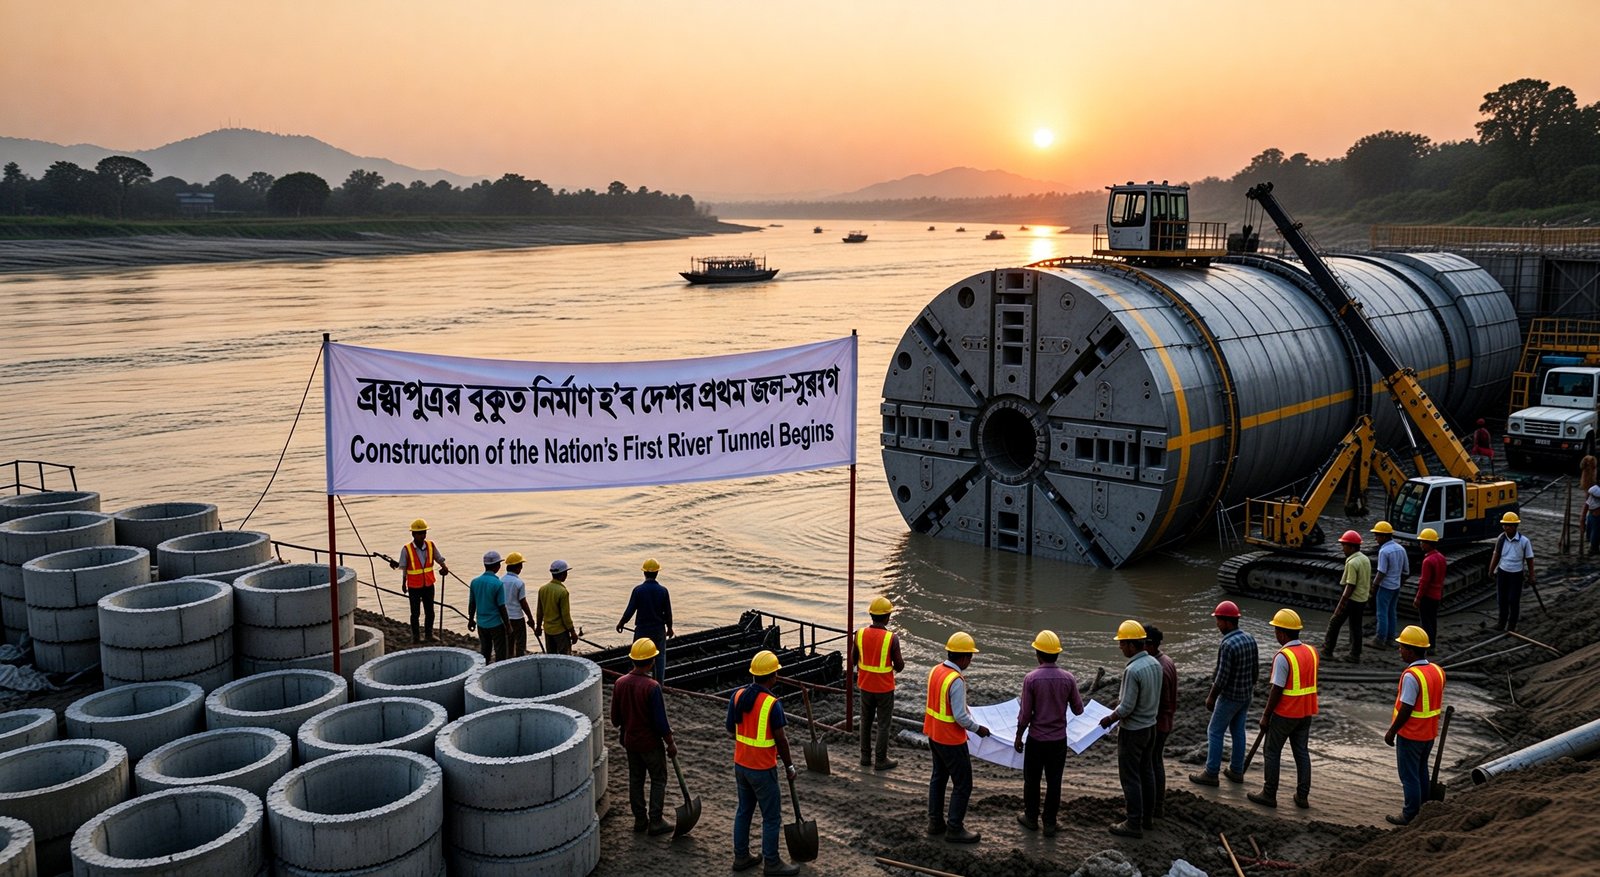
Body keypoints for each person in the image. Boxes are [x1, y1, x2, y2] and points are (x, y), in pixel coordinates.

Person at [726, 649, 800, 875]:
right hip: (762, 769)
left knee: (744, 811)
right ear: (772, 676)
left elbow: (731, 729)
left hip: (741, 765)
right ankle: (772, 863)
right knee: (771, 817)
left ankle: (741, 857)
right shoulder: (771, 704)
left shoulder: (737, 696)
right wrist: (789, 766)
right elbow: (781, 740)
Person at [1014, 629, 1083, 835]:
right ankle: (1050, 823)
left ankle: (1031, 818)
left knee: (1032, 780)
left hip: (1036, 739)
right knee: (1054, 781)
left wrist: (1018, 736)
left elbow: (1025, 714)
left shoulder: (1031, 679)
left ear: (1038, 654)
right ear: (1057, 654)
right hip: (1058, 740)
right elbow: (1078, 710)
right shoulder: (1069, 678)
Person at [925, 631, 991, 844]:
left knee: (938, 778)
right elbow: (960, 717)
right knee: (963, 784)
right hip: (951, 740)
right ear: (963, 657)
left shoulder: (936, 670)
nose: (970, 661)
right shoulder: (956, 680)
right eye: (970, 657)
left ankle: (935, 822)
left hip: (934, 734)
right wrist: (978, 729)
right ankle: (954, 828)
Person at [1248, 609, 1317, 810]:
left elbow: (1276, 689)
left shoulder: (1283, 657)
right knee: (1301, 752)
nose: (1275, 634)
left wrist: (1266, 716)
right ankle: (1302, 796)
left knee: (1271, 751)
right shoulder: (1311, 652)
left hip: (1285, 713)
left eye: (1276, 630)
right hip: (1306, 712)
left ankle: (1269, 794)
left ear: (1282, 633)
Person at [1100, 620, 1162, 838]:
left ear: (1131, 645)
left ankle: (1133, 823)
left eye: (1122, 643)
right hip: (1150, 726)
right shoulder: (1155, 663)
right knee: (1147, 772)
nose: (1120, 647)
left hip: (1133, 731)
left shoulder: (1133, 669)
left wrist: (1109, 718)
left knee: (1130, 777)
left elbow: (1126, 707)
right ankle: (1147, 818)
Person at [613, 638, 677, 836]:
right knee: (658, 779)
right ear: (651, 662)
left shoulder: (620, 683)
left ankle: (640, 820)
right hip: (649, 743)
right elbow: (661, 722)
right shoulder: (652, 687)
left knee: (636, 779)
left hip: (630, 742)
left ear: (633, 660)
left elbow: (615, 719)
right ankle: (655, 820)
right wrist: (670, 743)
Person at [1191, 600, 1258, 787]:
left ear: (1228, 622)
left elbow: (1221, 676)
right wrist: (1250, 688)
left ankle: (1211, 773)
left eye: (1219, 621)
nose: (1217, 624)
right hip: (1246, 695)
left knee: (1214, 731)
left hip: (1230, 697)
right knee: (1238, 731)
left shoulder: (1228, 644)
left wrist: (1211, 697)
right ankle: (1236, 770)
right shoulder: (1250, 638)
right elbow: (1255, 670)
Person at [1384, 625, 1446, 826]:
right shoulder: (1437, 670)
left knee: (1409, 776)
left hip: (1411, 734)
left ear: (1411, 651)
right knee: (1421, 771)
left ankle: (1410, 814)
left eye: (1402, 647)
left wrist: (1392, 731)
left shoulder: (1412, 676)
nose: (1399, 650)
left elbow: (1407, 707)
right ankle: (1424, 808)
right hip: (1429, 733)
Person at [852, 596, 905, 771]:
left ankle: (865, 757)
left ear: (871, 615)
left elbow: (853, 660)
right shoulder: (891, 638)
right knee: (883, 724)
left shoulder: (859, 634)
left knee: (865, 721)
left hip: (865, 685)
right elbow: (899, 666)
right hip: (884, 688)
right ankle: (880, 760)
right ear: (887, 617)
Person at [390, 518, 448, 643]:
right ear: (413, 534)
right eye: (420, 533)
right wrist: (403, 583)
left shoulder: (431, 545)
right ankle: (416, 637)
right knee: (415, 613)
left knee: (430, 611)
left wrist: (444, 567)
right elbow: (404, 568)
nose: (423, 535)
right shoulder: (407, 549)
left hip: (428, 583)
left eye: (424, 532)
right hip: (414, 586)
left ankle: (429, 634)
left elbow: (438, 558)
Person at [617, 558, 673, 681]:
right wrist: (669, 628)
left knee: (638, 657)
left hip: (642, 630)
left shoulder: (638, 590)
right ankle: (658, 684)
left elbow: (630, 610)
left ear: (644, 573)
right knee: (659, 658)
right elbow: (668, 613)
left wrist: (622, 623)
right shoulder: (663, 591)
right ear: (657, 573)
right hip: (658, 630)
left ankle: (636, 680)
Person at [1144, 625, 1178, 817]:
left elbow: (1155, 703)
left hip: (1158, 723)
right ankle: (1157, 804)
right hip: (1166, 719)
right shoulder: (1166, 661)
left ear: (1149, 644)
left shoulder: (1159, 668)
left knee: (1151, 763)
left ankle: (1154, 806)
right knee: (1156, 761)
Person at [1323, 530, 1371, 663]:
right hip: (1362, 599)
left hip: (1351, 599)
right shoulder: (1365, 559)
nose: (1342, 548)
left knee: (1334, 623)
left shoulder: (1352, 563)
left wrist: (1341, 604)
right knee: (1356, 626)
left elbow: (1350, 585)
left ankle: (1327, 651)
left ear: (1352, 547)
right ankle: (1355, 654)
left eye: (1344, 545)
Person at [1488, 512, 1535, 632]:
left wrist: (1531, 575)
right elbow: (1496, 555)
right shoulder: (1501, 539)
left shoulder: (1524, 541)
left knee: (1513, 600)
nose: (1506, 527)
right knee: (1502, 599)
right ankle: (1501, 623)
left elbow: (1529, 559)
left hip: (1516, 574)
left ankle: (1512, 625)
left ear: (1515, 526)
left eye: (1509, 525)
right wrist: (1491, 570)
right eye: (1505, 525)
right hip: (1503, 573)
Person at [1371, 521, 1409, 648]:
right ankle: (1390, 638)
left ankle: (1380, 639)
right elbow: (1406, 571)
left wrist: (1374, 586)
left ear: (1383, 536)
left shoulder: (1384, 551)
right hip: (1396, 587)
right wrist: (1399, 583)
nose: (1375, 538)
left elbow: (1381, 572)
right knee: (1392, 612)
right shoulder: (1401, 549)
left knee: (1382, 613)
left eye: (1377, 535)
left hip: (1385, 587)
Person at [466, 551, 508, 664]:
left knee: (485, 650)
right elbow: (502, 607)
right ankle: (499, 669)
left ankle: (484, 668)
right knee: (500, 651)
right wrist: (508, 626)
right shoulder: (498, 584)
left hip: (481, 623)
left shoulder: (475, 582)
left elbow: (472, 603)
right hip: (496, 624)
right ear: (497, 566)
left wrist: (471, 620)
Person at [537, 559, 577, 655]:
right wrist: (572, 632)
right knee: (565, 656)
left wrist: (538, 627)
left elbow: (539, 611)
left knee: (552, 656)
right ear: (563, 574)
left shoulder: (543, 589)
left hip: (548, 630)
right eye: (566, 572)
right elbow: (565, 616)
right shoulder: (562, 592)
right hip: (560, 631)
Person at [1414, 529, 1445, 646]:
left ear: (1428, 543)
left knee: (1425, 622)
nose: (1421, 544)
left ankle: (1427, 644)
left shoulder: (1427, 561)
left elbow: (1424, 582)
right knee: (1432, 620)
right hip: (1436, 595)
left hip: (1427, 596)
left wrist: (1418, 598)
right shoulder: (1441, 557)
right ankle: (1433, 644)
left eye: (1422, 542)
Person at [501, 552, 533, 657]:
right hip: (517, 617)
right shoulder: (519, 583)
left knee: (508, 641)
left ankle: (509, 658)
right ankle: (519, 659)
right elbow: (523, 602)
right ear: (517, 567)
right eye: (521, 566)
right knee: (520, 643)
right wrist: (530, 618)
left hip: (504, 617)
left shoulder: (500, 581)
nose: (521, 568)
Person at [1584, 480, 1600, 556]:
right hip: (1595, 515)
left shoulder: (1593, 490)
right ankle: (1593, 549)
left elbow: (1587, 502)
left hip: (1593, 514)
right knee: (1594, 533)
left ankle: (1593, 548)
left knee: (1592, 532)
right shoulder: (1595, 490)